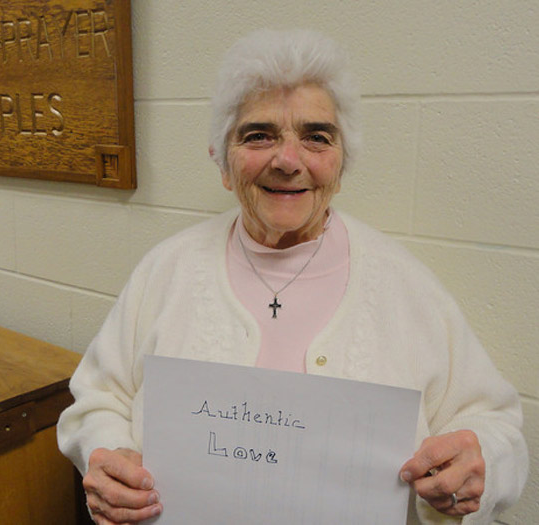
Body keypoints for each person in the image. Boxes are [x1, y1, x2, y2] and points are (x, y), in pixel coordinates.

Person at [57, 29, 527, 524]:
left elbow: (496, 427)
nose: (287, 160)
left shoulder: (406, 288)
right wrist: (106, 454)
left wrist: (481, 465)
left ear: (341, 165)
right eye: (258, 135)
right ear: (222, 161)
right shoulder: (166, 271)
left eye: (316, 137)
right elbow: (99, 397)